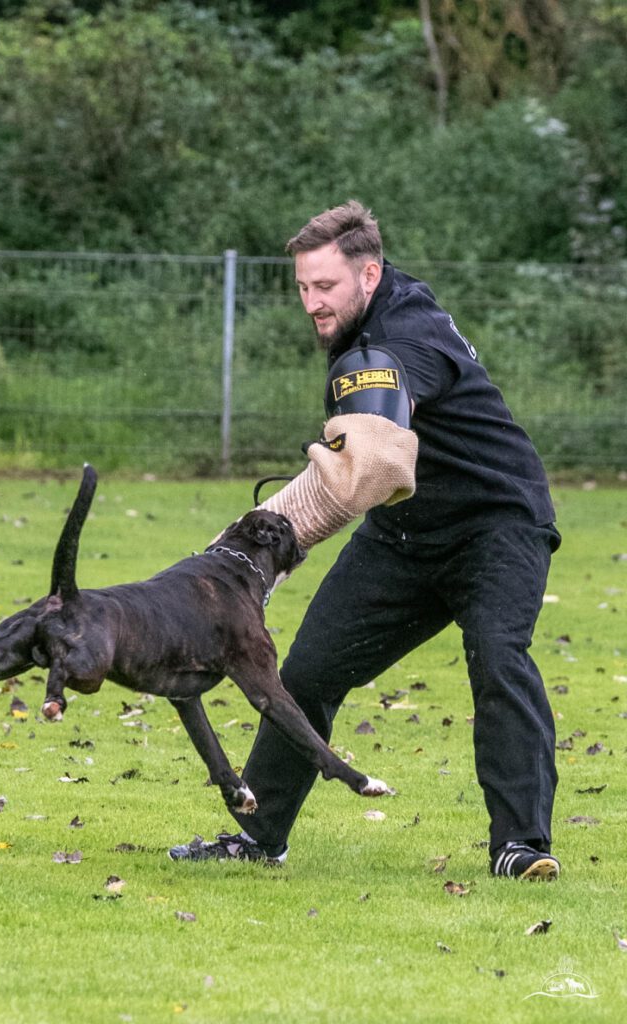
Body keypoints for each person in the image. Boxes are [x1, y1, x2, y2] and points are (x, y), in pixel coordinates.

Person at [169, 200, 561, 880]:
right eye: (303, 288)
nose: (313, 303)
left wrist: (240, 556)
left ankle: (520, 845)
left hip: (497, 523)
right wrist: (230, 562)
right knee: (309, 672)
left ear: (369, 274)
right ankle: (260, 836)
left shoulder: (400, 337)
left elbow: (369, 464)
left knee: (500, 658)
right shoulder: (363, 330)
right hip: (405, 535)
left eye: (326, 287)